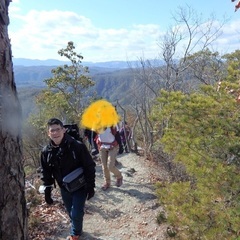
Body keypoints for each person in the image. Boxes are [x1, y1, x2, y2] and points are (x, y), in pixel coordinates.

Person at [40, 118, 96, 240]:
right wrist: (47, 190)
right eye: (52, 131)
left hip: (81, 186)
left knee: (76, 213)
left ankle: (75, 234)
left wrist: (91, 186)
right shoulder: (46, 152)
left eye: (58, 129)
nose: (55, 133)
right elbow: (46, 172)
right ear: (48, 133)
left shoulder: (77, 146)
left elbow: (89, 166)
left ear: (64, 130)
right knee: (71, 213)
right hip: (64, 188)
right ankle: (78, 229)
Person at [96, 126, 123, 190]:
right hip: (102, 146)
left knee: (110, 166)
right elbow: (95, 135)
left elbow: (117, 135)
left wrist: (121, 146)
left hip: (112, 146)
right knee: (104, 166)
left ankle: (119, 176)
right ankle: (107, 182)